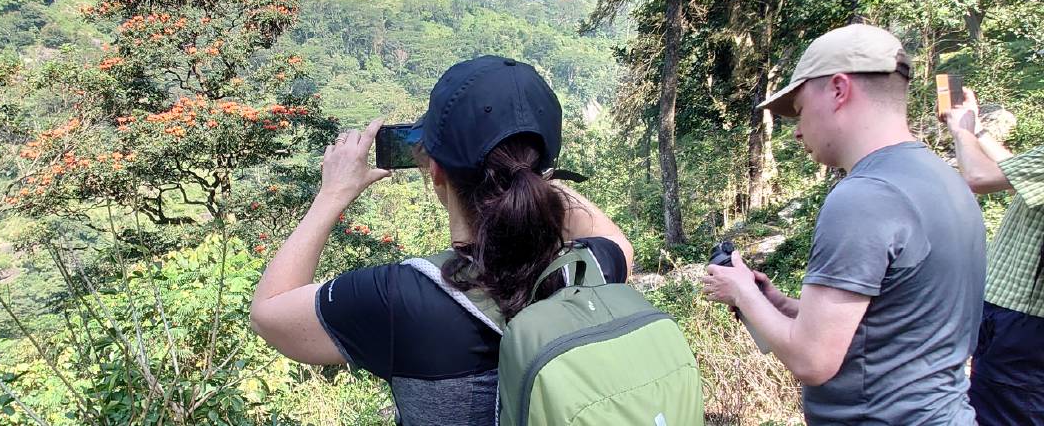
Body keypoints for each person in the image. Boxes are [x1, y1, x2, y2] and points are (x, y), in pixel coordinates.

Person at [249, 55, 633, 425]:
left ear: (435, 172)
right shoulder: (585, 271)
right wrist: (534, 180)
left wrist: (333, 193)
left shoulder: (403, 297)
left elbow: (269, 313)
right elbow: (615, 240)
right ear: (543, 169)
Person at [701, 24, 986, 425]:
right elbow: (890, 325)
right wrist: (778, 304)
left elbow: (812, 361)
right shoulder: (945, 179)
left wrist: (742, 292)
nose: (798, 131)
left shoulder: (863, 197)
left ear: (838, 89)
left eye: (800, 109)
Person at [944, 88, 1044, 425]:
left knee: (1003, 412)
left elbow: (979, 176)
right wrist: (978, 131)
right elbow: (1018, 178)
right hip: (1020, 321)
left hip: (1023, 322)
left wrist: (961, 131)